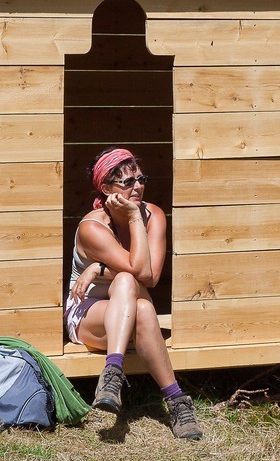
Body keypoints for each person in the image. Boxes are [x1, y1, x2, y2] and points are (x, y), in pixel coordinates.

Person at [64, 147, 202, 441]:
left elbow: (149, 277)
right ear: (106, 188)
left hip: (132, 303)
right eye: (127, 182)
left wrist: (99, 269)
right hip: (89, 312)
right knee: (130, 285)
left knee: (133, 291)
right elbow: (139, 270)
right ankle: (171, 397)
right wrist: (103, 268)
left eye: (141, 179)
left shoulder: (153, 215)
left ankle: (117, 377)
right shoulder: (92, 227)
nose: (138, 186)